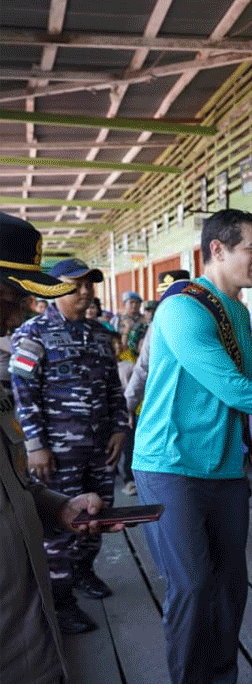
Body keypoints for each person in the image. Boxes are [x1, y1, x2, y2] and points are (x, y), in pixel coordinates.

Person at [133, 209, 252, 684]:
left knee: (230, 584)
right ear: (217, 251)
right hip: (170, 467)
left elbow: (242, 400)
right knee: (192, 586)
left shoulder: (239, 313)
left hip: (221, 468)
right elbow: (234, 388)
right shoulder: (181, 310)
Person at [0, 212, 122, 684]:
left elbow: (11, 486)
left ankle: (76, 581)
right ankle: (65, 590)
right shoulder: (27, 342)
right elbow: (26, 401)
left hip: (20, 657)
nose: (25, 306)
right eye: (14, 292)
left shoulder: (99, 337)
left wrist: (57, 506)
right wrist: (40, 450)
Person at [9, 257, 129, 635]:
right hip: (57, 450)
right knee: (63, 521)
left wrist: (119, 428)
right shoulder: (33, 333)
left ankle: (83, 573)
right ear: (53, 289)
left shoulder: (99, 333)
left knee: (99, 513)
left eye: (89, 285)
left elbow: (114, 387)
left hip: (99, 445)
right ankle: (60, 601)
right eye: (74, 286)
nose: (84, 292)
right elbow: (23, 394)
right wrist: (35, 444)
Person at [121, 270, 191, 499]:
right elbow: (142, 369)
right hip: (162, 408)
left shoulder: (202, 320)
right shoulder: (156, 327)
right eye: (166, 295)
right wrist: (127, 407)